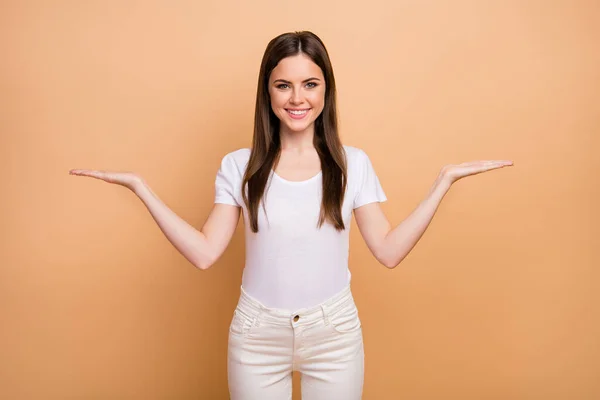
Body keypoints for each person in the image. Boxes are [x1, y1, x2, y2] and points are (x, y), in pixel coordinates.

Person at [70, 31, 512, 400]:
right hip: (256, 335)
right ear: (267, 91)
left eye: (310, 84)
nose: (297, 98)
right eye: (284, 85)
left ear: (326, 90)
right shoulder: (239, 166)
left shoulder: (351, 163)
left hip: (334, 333)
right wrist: (141, 188)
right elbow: (205, 253)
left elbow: (389, 250)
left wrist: (443, 181)